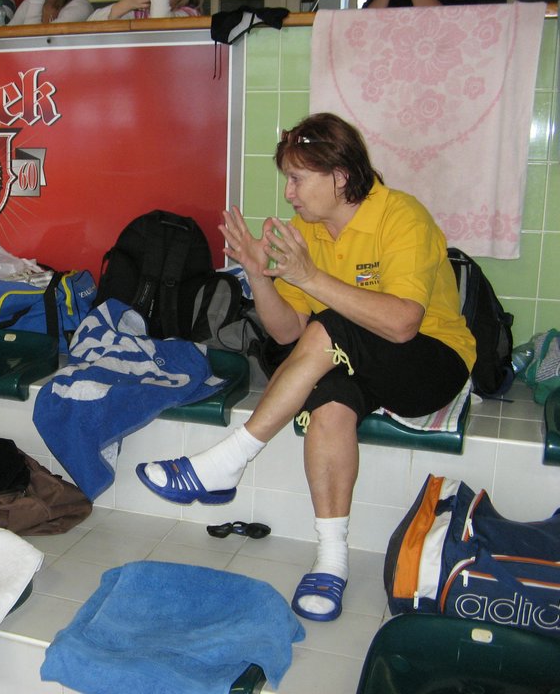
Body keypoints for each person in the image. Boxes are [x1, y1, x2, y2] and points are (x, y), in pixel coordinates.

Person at [137, 113, 476, 623]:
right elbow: (287, 332)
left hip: (431, 362)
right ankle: (331, 560)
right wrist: (259, 276)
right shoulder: (305, 231)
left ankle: (229, 459)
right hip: (358, 359)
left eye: (297, 179)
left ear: (340, 175)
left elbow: (404, 323)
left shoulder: (402, 216)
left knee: (333, 323)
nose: (289, 193)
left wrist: (311, 277)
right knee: (329, 405)